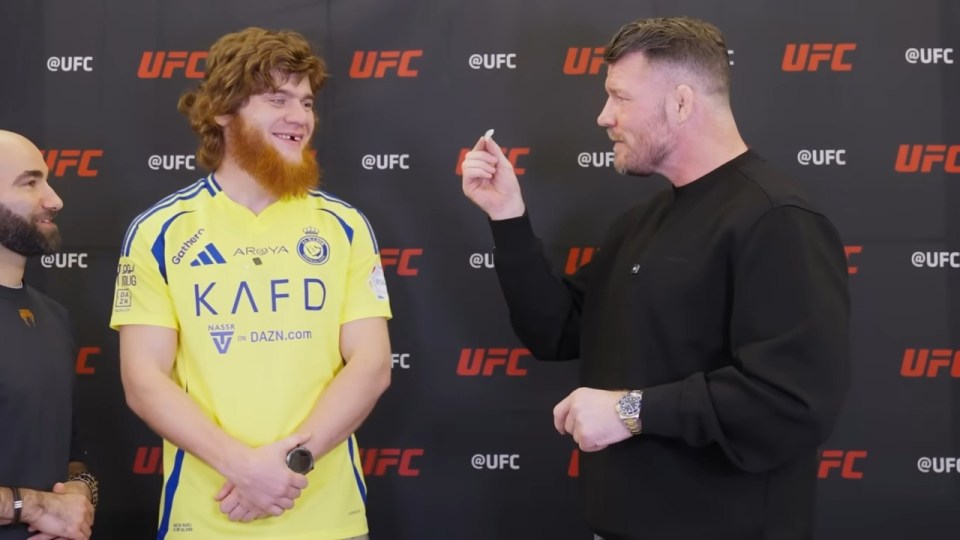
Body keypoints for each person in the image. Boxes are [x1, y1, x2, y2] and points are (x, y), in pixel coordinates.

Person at [461, 16, 850, 540]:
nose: (603, 117)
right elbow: (554, 330)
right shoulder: (639, 225)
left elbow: (792, 400)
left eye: (619, 97)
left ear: (682, 102)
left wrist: (629, 411)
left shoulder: (776, 218)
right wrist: (507, 216)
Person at [110, 28, 392, 540]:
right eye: (277, 99)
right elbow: (143, 380)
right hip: (207, 518)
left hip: (328, 519)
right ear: (221, 110)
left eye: (306, 103)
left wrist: (290, 465)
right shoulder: (159, 232)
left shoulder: (344, 226)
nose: (300, 118)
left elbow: (371, 365)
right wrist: (242, 467)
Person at [0, 130, 97, 540]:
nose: (54, 199)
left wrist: (78, 491)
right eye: (30, 181)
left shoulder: (54, 317)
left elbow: (70, 454)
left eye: (48, 180)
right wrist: (38, 506)